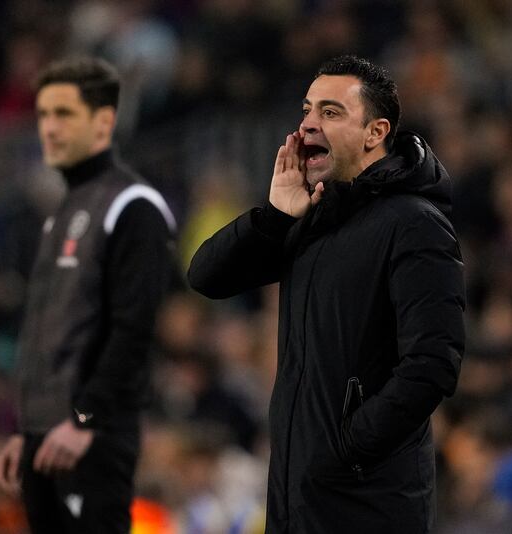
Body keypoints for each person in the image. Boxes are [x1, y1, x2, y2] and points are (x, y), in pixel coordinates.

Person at [188, 55, 466, 533]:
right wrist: (275, 216)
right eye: (307, 109)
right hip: (298, 500)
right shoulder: (312, 218)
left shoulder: (415, 223)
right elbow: (206, 276)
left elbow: (433, 362)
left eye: (331, 112)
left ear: (375, 132)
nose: (307, 125)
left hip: (366, 504)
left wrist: (347, 448)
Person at [0, 57, 177, 533]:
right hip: (46, 433)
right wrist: (26, 429)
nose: (49, 128)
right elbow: (47, 333)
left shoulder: (132, 206)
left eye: (64, 114)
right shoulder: (60, 214)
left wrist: (84, 419)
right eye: (43, 115)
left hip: (89, 433)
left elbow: (134, 327)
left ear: (104, 121)